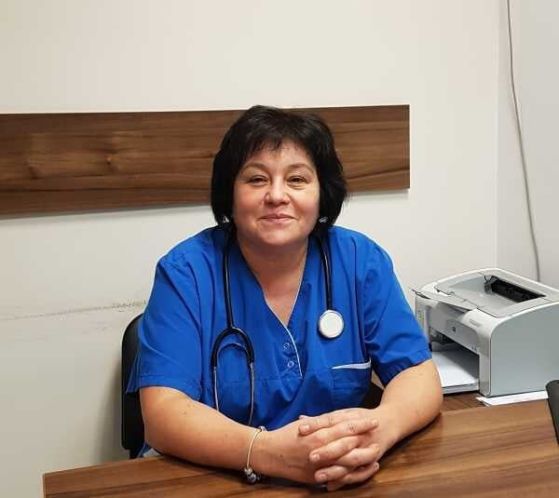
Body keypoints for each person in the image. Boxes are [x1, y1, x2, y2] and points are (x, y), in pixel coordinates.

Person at [127, 105, 442, 491]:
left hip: (333, 479)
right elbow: (163, 414)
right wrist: (267, 452)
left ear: (321, 192)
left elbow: (417, 374)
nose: (277, 196)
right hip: (211, 479)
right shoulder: (186, 273)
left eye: (297, 179)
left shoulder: (360, 261)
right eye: (256, 179)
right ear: (230, 192)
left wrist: (380, 429)